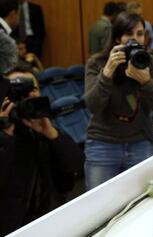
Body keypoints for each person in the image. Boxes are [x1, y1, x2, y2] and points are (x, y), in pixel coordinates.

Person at [84, 12, 153, 190]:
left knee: (141, 203)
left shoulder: (150, 62)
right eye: (129, 34)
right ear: (117, 39)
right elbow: (93, 106)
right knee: (99, 207)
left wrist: (146, 82)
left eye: (139, 34)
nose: (135, 40)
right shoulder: (97, 62)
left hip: (140, 141)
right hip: (103, 144)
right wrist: (107, 73)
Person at [0, 67, 85, 235]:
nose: (27, 95)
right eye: (18, 90)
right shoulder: (4, 135)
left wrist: (52, 134)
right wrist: (5, 135)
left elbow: (77, 167)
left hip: (48, 219)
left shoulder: (44, 127)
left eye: (32, 89)